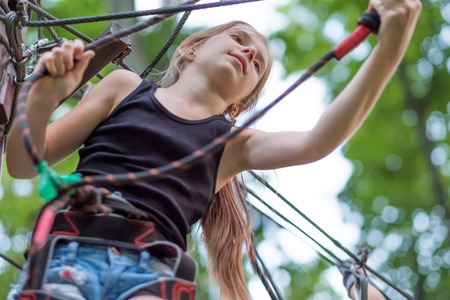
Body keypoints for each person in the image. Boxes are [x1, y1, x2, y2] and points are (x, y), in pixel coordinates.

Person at [5, 0, 421, 299]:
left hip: (151, 273)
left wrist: (389, 49)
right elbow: (24, 164)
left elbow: (317, 142)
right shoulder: (124, 88)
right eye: (239, 40)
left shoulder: (233, 145)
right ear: (191, 48)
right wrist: (42, 98)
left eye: (257, 63)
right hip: (69, 248)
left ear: (239, 104)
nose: (247, 53)